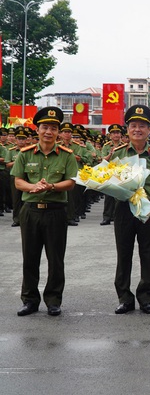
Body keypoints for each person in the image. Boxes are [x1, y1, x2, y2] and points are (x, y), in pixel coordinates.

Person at [12, 107, 78, 316]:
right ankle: (30, 300)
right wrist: (33, 187)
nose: (48, 132)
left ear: (58, 132)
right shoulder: (25, 154)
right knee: (29, 257)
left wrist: (51, 187)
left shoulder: (67, 156)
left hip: (55, 211)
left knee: (55, 258)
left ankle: (53, 300)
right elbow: (18, 181)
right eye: (44, 127)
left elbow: (70, 182)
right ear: (37, 129)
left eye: (53, 128)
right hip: (30, 211)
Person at [112, 105, 150, 315]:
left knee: (147, 253)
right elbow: (108, 178)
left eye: (142, 126)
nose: (138, 129)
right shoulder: (118, 154)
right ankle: (124, 298)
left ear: (149, 130)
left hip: (147, 209)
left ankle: (146, 298)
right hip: (124, 209)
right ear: (127, 129)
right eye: (133, 125)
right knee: (124, 254)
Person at [100, 123, 124, 226]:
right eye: (113, 133)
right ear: (110, 135)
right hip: (109, 173)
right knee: (108, 196)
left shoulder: (124, 145)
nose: (116, 135)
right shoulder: (106, 146)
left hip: (120, 172)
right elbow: (102, 160)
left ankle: (116, 216)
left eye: (118, 133)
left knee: (119, 196)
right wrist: (110, 154)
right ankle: (106, 217)